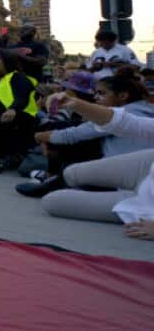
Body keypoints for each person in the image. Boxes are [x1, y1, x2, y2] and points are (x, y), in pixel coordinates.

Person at [18, 70, 154, 197]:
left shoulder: (125, 115)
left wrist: (39, 137)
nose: (96, 97)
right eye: (95, 92)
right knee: (71, 133)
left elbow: (71, 136)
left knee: (54, 202)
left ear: (123, 96)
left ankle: (59, 179)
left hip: (124, 180)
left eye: (101, 93)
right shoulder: (142, 110)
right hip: (134, 175)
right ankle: (56, 177)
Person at [39, 91, 154, 236]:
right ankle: (69, 182)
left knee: (53, 202)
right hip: (147, 167)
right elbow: (130, 124)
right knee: (71, 172)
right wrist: (75, 104)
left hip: (147, 205)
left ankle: (90, 188)